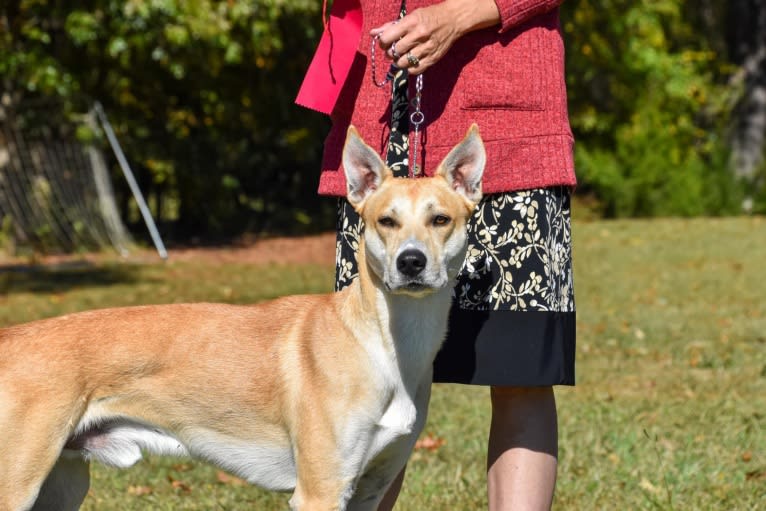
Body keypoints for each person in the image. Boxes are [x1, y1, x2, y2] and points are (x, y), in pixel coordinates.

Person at [298, 0, 576, 509]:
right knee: (360, 383)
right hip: (380, 122)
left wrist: (465, 14)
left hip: (509, 137)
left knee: (521, 373)